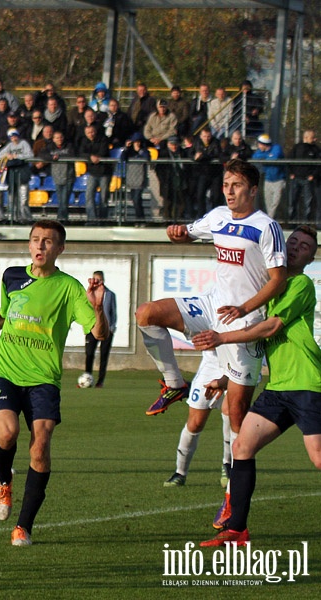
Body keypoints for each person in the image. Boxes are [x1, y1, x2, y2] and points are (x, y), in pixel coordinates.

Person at [0, 220, 107, 546]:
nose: (40, 246)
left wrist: (97, 307)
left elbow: (98, 333)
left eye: (48, 242)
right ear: (28, 245)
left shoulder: (69, 288)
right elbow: (3, 314)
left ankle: (23, 526)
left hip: (44, 380)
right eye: (36, 240)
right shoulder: (12, 276)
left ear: (60, 249)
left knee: (40, 448)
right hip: (6, 371)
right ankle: (4, 480)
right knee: (7, 432)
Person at [135, 160, 286, 458]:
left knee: (237, 415)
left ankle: (233, 486)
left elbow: (278, 280)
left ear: (253, 190)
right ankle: (174, 384)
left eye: (237, 185)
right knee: (147, 314)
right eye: (226, 185)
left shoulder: (266, 227)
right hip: (211, 306)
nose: (229, 191)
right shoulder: (217, 216)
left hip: (245, 323)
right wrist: (176, 232)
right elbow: (188, 233)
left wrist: (244, 308)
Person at [196, 225, 319, 546]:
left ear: (311, 257)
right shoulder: (268, 288)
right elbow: (256, 348)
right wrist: (227, 376)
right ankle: (236, 529)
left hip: (308, 385)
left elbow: (271, 327)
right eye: (292, 241)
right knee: (242, 447)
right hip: (278, 387)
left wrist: (222, 336)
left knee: (318, 458)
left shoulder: (301, 283)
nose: (295, 247)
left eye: (304, 246)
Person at [162, 350, 231, 487]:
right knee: (195, 423)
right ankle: (180, 473)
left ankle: (228, 465)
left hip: (238, 363)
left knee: (231, 413)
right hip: (211, 366)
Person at [82, 271, 116, 388]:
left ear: (102, 281)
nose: (96, 282)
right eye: (94, 279)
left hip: (106, 330)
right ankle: (87, 379)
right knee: (89, 354)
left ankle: (100, 381)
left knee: (104, 356)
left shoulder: (110, 294)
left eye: (98, 280)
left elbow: (113, 312)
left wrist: (111, 328)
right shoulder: (89, 294)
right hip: (92, 329)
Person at [288, 129, 319, 224]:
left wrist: (313, 175)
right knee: (292, 201)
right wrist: (291, 172)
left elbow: (318, 165)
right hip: (296, 178)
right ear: (306, 137)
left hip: (307, 179)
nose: (315, 139)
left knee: (307, 202)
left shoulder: (316, 149)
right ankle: (292, 222)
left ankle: (306, 223)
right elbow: (289, 160)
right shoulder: (297, 147)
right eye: (312, 137)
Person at [253, 134, 286, 220]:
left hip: (279, 180)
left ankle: (270, 219)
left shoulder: (276, 148)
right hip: (268, 180)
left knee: (276, 202)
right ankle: (271, 219)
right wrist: (266, 156)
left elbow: (274, 157)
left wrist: (264, 157)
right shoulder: (261, 152)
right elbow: (255, 157)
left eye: (259, 144)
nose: (258, 146)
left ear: (264, 144)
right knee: (268, 202)